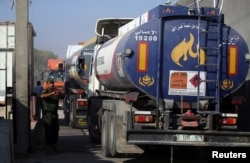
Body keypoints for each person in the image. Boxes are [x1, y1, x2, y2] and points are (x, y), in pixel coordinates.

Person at [40, 79, 60, 153]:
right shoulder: (46, 91)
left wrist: (59, 93)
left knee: (56, 129)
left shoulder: (55, 91)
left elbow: (62, 95)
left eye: (52, 83)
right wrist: (51, 93)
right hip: (48, 114)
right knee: (49, 129)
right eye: (50, 83)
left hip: (54, 113)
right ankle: (48, 146)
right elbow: (42, 96)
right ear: (47, 84)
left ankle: (54, 146)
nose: (51, 85)